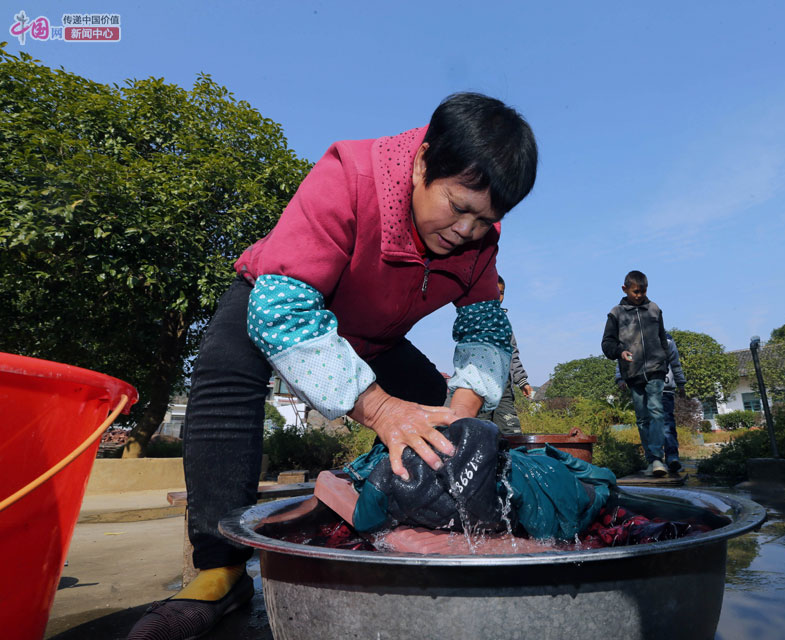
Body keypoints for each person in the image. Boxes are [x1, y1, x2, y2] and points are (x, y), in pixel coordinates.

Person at [127, 92, 538, 640]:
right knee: (224, 377)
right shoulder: (349, 177)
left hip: (373, 337)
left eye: (485, 220)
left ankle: (393, 512)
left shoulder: (481, 240)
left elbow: (485, 328)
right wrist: (383, 411)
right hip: (276, 300)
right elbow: (285, 310)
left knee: (441, 419)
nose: (467, 231)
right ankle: (219, 571)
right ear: (422, 163)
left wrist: (458, 417)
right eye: (458, 207)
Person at [601, 270, 670, 477]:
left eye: (643, 291)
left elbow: (662, 338)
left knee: (656, 410)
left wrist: (664, 360)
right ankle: (651, 460)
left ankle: (658, 458)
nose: (639, 295)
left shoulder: (654, 309)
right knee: (642, 418)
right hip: (632, 372)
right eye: (635, 291)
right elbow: (607, 343)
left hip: (656, 369)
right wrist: (619, 352)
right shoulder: (616, 313)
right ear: (625, 289)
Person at [616, 331, 686, 474]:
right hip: (640, 384)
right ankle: (653, 460)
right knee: (646, 422)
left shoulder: (666, 340)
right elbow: (622, 358)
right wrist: (620, 378)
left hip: (664, 387)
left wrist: (681, 382)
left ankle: (672, 457)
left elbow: (674, 362)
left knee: (666, 422)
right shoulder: (631, 338)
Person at [479, 276, 533, 435]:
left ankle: (512, 459)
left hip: (503, 386)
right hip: (480, 386)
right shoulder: (473, 318)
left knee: (511, 431)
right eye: (493, 292)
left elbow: (512, 353)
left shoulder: (504, 322)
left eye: (501, 293)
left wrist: (522, 380)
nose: (497, 297)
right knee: (481, 431)